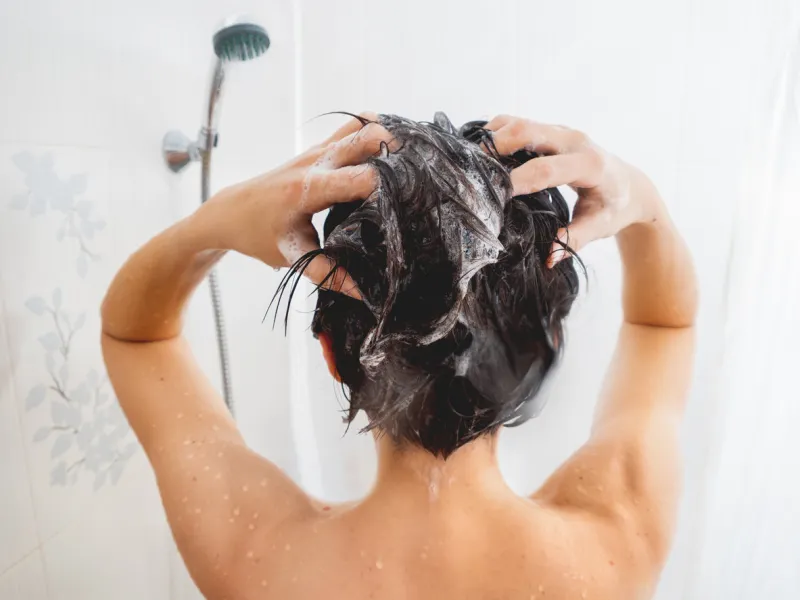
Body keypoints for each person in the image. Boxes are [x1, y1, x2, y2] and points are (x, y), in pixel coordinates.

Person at [101, 112, 696, 600]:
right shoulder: (612, 545)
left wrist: (212, 222)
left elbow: (136, 337)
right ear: (544, 351)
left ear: (332, 354)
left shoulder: (258, 557)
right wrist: (643, 201)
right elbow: (665, 324)